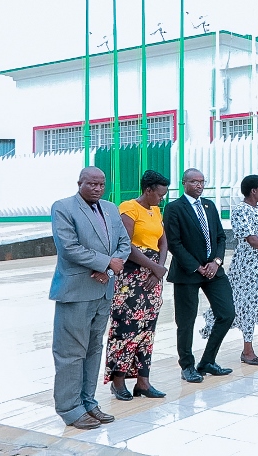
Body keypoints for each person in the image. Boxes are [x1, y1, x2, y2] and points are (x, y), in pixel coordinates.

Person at [49, 167, 130, 430]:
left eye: (101, 184)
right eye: (91, 184)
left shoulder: (110, 209)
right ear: (80, 183)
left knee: (94, 349)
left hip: (103, 289)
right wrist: (107, 262)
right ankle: (69, 408)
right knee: (71, 352)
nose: (97, 188)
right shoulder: (63, 208)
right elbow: (68, 247)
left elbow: (124, 244)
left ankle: (88, 402)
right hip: (76, 291)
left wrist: (108, 268)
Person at [201, 175, 258, 366]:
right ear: (253, 191)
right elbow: (252, 239)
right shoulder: (240, 210)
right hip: (249, 267)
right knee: (250, 305)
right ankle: (247, 350)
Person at [104, 169, 170, 401]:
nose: (162, 198)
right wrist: (153, 268)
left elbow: (163, 241)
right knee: (125, 329)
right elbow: (127, 246)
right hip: (131, 277)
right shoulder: (129, 208)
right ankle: (118, 381)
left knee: (146, 330)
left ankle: (143, 382)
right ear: (148, 190)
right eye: (160, 194)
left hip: (152, 277)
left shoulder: (155, 210)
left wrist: (158, 269)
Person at [164, 168, 234, 383]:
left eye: (202, 181)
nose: (199, 185)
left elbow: (221, 237)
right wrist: (196, 266)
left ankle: (207, 361)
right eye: (194, 181)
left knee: (227, 314)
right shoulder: (174, 208)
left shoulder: (209, 206)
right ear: (184, 183)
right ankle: (187, 366)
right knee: (186, 321)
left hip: (214, 270)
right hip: (187, 272)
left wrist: (216, 262)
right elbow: (174, 243)